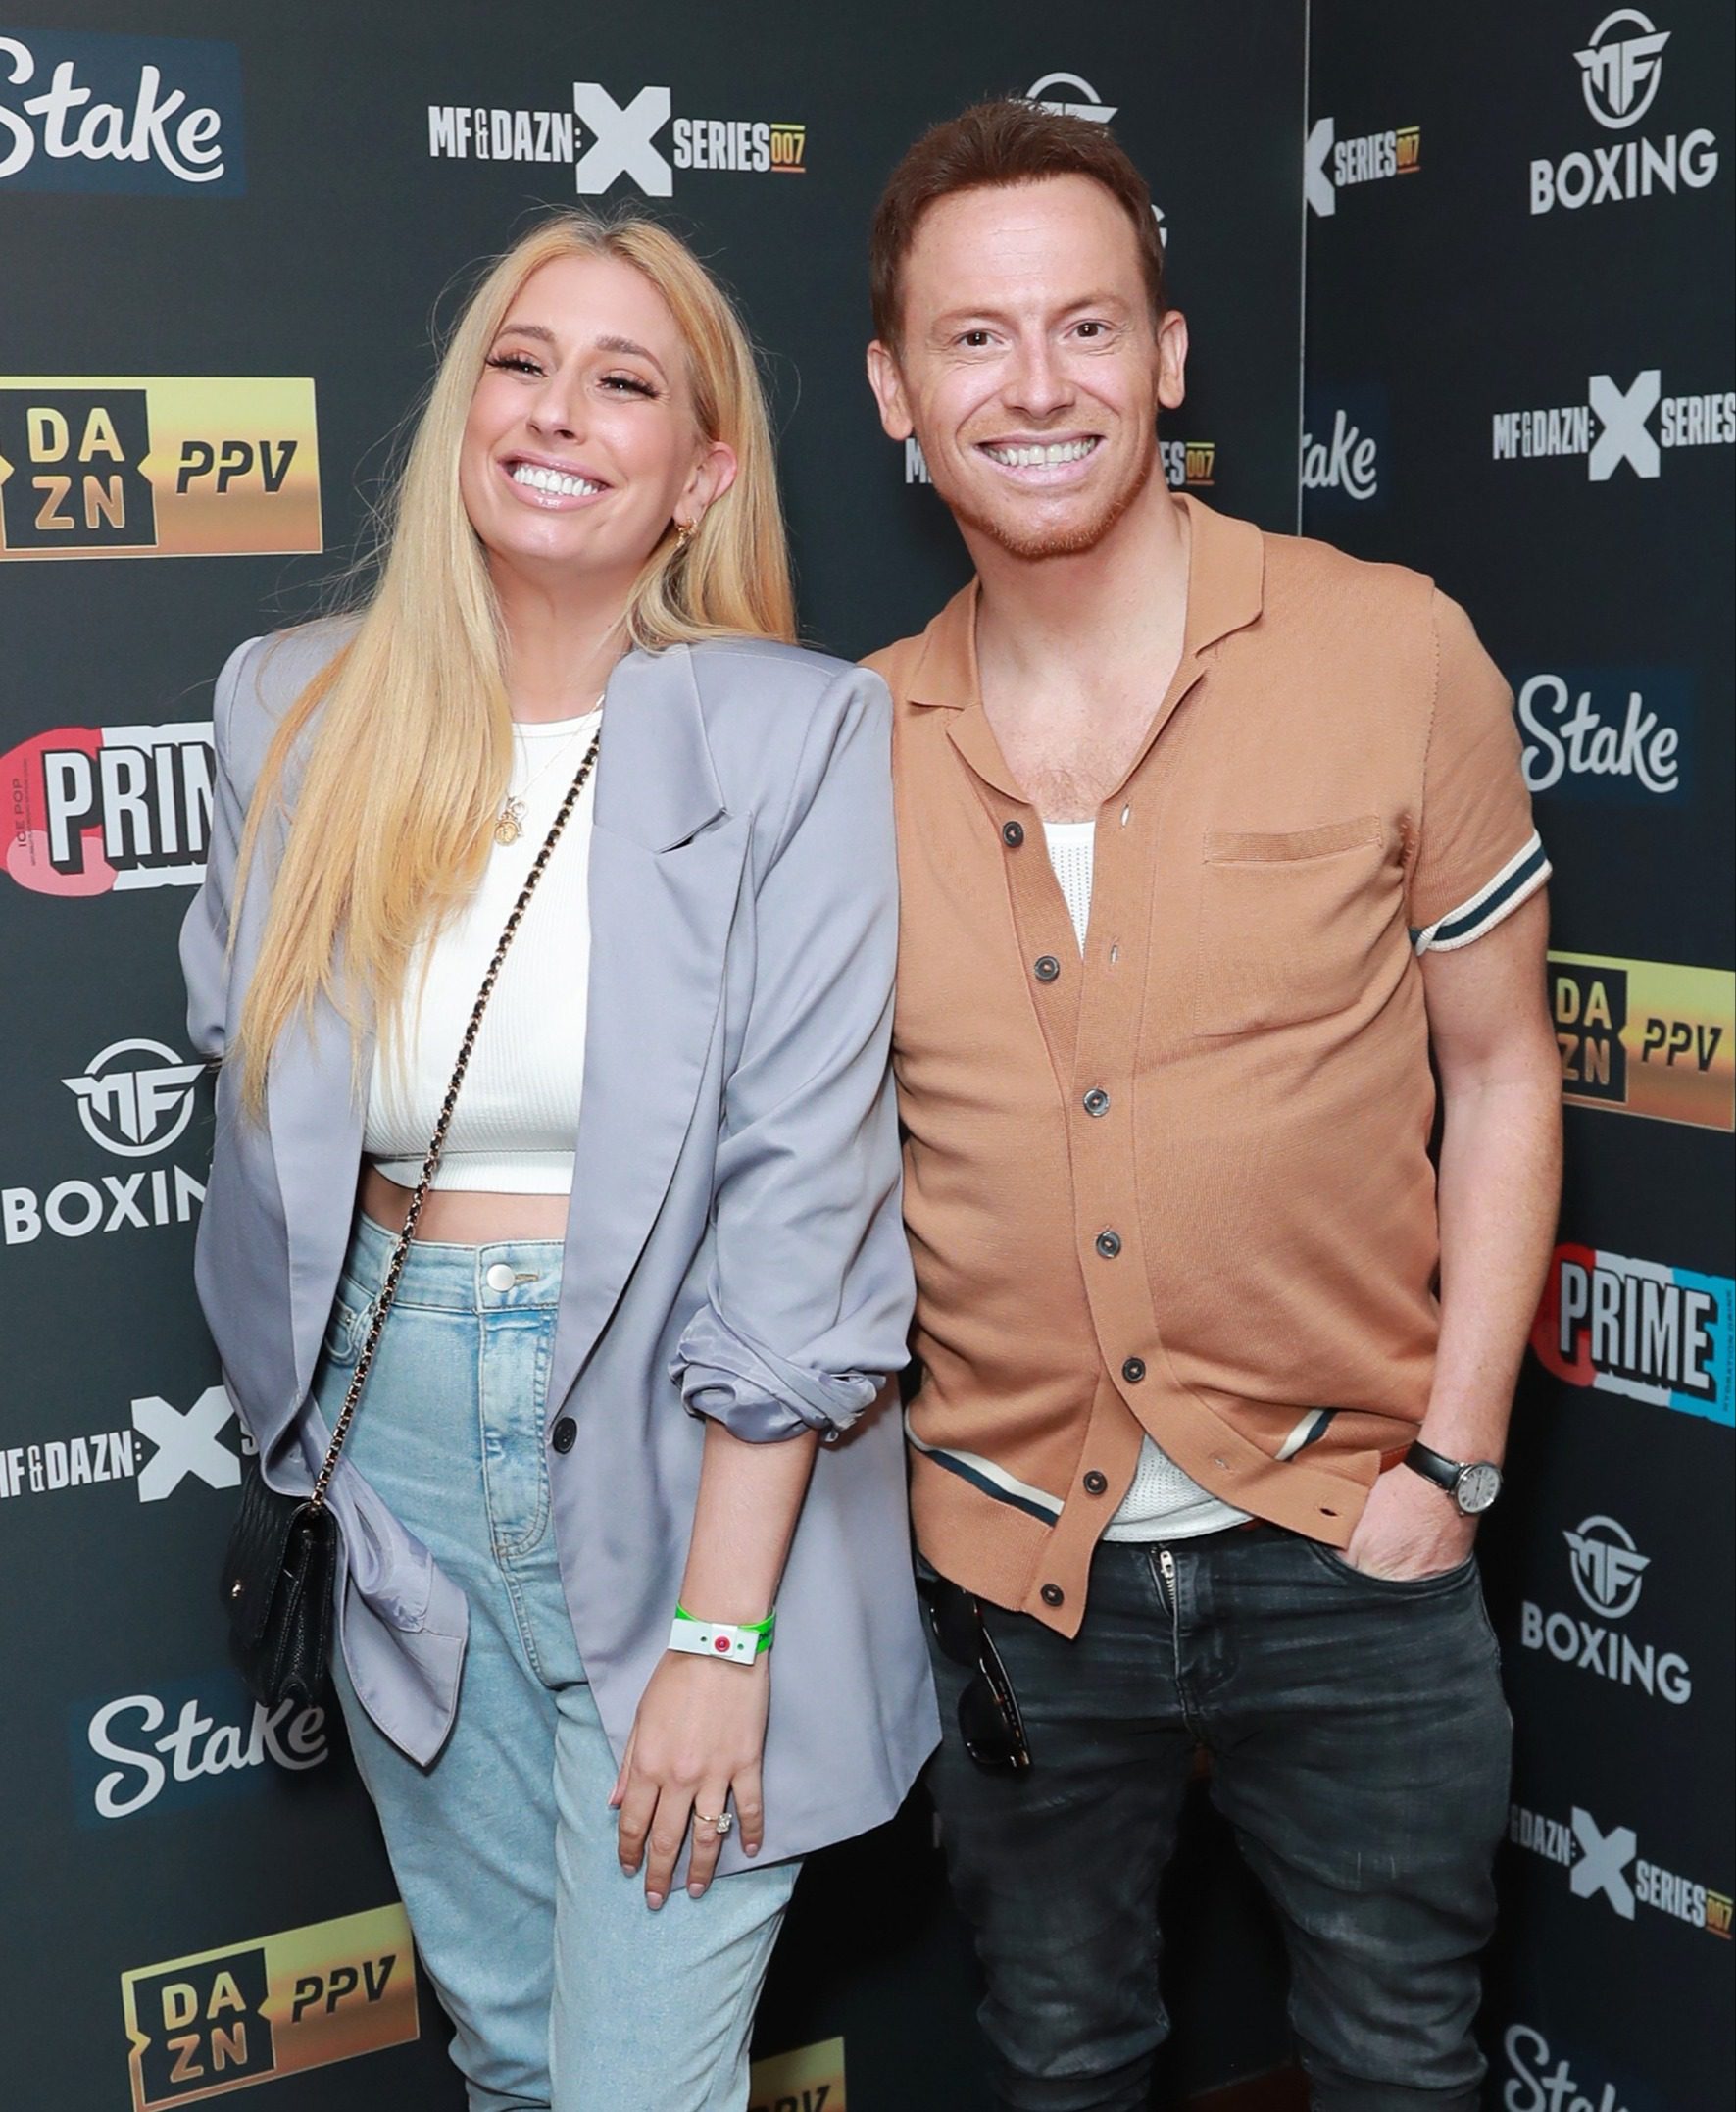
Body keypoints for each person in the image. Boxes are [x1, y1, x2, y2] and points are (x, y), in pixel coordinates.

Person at [181, 210, 936, 2112]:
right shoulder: (290, 703)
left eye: (624, 383)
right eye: (520, 364)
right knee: (512, 2058)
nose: (556, 413)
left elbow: (800, 1206)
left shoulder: (795, 733)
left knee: (631, 2090)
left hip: (688, 1450)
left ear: (700, 473)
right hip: (394, 1435)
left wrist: (720, 1629)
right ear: (461, 415)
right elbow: (244, 1059)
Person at [863, 102, 1562, 2112]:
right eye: (975, 340)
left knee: (1399, 2060)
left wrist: (1455, 1463)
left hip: (1351, 1538)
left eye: (1087, 326)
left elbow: (1500, 1066)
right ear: (898, 393)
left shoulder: (1390, 646)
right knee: (1063, 2059)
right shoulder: (851, 741)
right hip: (1012, 1573)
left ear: (1169, 355)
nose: (1038, 383)